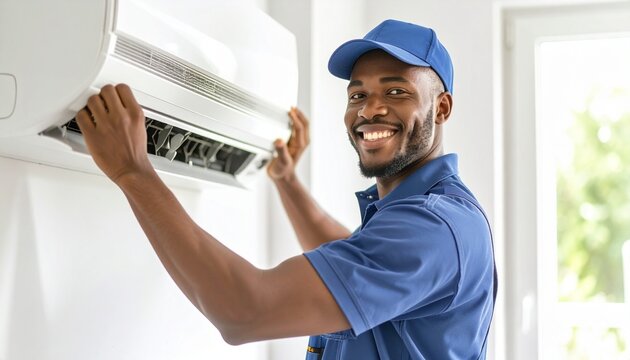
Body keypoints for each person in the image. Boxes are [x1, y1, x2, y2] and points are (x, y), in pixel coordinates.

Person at [76, 19, 496, 360]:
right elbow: (355, 263)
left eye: (396, 91)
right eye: (358, 94)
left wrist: (134, 172)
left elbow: (244, 312)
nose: (370, 109)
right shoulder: (424, 214)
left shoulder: (432, 226)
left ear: (441, 107)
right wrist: (286, 181)